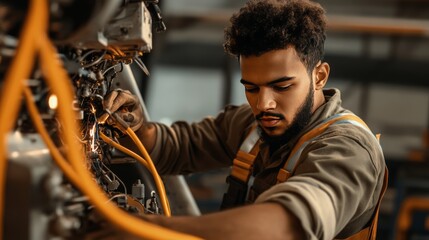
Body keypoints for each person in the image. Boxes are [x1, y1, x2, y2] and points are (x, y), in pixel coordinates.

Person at [103, 0, 387, 239]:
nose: (263, 104)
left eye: (282, 86)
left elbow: (286, 226)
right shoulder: (253, 123)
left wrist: (152, 229)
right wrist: (135, 126)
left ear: (319, 76)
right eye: (251, 88)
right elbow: (180, 146)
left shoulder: (349, 150)